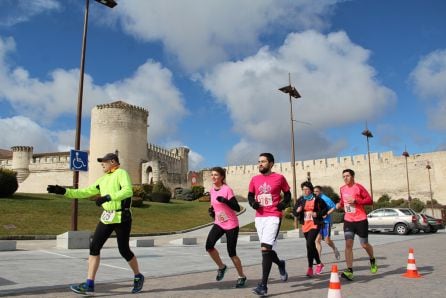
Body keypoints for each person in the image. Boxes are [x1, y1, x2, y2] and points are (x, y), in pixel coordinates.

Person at [47, 153, 144, 295]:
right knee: (94, 247)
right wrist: (64, 191)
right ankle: (89, 284)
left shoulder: (121, 173)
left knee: (124, 250)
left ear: (113, 161)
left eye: (104, 162)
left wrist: (108, 197)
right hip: (107, 217)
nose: (102, 164)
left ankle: (138, 276)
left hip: (122, 216)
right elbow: (85, 192)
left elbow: (127, 191)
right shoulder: (103, 179)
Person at [248, 153, 291, 296]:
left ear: (271, 163)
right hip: (259, 217)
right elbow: (250, 195)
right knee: (266, 250)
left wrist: (283, 204)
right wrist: (253, 203)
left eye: (263, 161)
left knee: (265, 249)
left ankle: (263, 286)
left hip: (273, 216)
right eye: (259, 161)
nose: (260, 164)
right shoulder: (254, 179)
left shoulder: (279, 178)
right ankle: (280, 264)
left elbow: (288, 194)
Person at [205, 167, 247, 288]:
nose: (213, 177)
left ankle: (241, 276)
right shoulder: (212, 190)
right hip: (219, 222)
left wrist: (224, 200)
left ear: (222, 177)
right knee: (209, 246)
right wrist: (211, 210)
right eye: (212, 175)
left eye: (216, 175)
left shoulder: (227, 189)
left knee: (231, 252)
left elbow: (237, 207)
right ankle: (222, 267)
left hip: (231, 224)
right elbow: (213, 204)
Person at [336, 168, 377, 281]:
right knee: (348, 245)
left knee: (364, 244)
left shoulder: (358, 187)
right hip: (348, 220)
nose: (345, 178)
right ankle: (349, 270)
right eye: (343, 176)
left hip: (361, 219)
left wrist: (356, 201)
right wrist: (339, 204)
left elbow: (369, 200)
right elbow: (343, 201)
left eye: (347, 176)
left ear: (353, 177)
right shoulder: (342, 189)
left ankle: (372, 259)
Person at [292, 181, 328, 277]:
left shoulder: (317, 199)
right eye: (303, 189)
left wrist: (317, 214)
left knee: (309, 243)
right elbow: (294, 212)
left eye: (307, 189)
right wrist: (297, 211)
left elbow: (325, 209)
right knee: (310, 245)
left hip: (315, 224)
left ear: (311, 190)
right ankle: (318, 264)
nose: (305, 191)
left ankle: (310, 267)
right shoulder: (301, 200)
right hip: (305, 225)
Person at [314, 185, 341, 262]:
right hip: (318, 222)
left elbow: (334, 207)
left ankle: (334, 248)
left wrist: (327, 213)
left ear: (321, 191)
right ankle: (318, 259)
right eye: (314, 191)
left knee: (327, 241)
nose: (315, 193)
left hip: (326, 222)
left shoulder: (326, 199)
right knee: (317, 240)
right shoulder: (314, 198)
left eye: (317, 191)